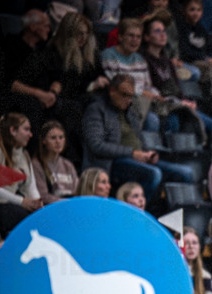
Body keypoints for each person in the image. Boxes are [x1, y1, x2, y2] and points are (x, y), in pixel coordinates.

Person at [10, 12, 108, 164]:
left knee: (98, 106)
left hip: (64, 98)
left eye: (86, 34)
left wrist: (52, 92)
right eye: (79, 34)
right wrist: (90, 86)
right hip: (63, 100)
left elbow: (58, 81)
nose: (83, 38)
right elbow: (63, 81)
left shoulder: (90, 54)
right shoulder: (53, 52)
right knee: (75, 110)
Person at [82, 74, 195, 203]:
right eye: (124, 95)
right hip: (113, 162)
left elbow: (139, 139)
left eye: (131, 96)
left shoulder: (130, 111)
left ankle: (169, 218)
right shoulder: (96, 109)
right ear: (112, 91)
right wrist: (132, 153)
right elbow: (96, 145)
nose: (128, 100)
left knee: (186, 173)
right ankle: (141, 215)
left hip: (137, 158)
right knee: (154, 174)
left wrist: (149, 154)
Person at [31, 120, 78, 205]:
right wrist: (66, 202)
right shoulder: (37, 164)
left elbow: (77, 190)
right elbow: (43, 196)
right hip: (51, 208)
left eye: (61, 137)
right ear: (44, 141)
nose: (58, 141)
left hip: (70, 206)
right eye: (53, 138)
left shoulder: (68, 165)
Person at [183, 226, 212, 294]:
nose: (191, 246)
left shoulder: (205, 276)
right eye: (186, 243)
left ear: (199, 247)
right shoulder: (173, 274)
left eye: (194, 243)